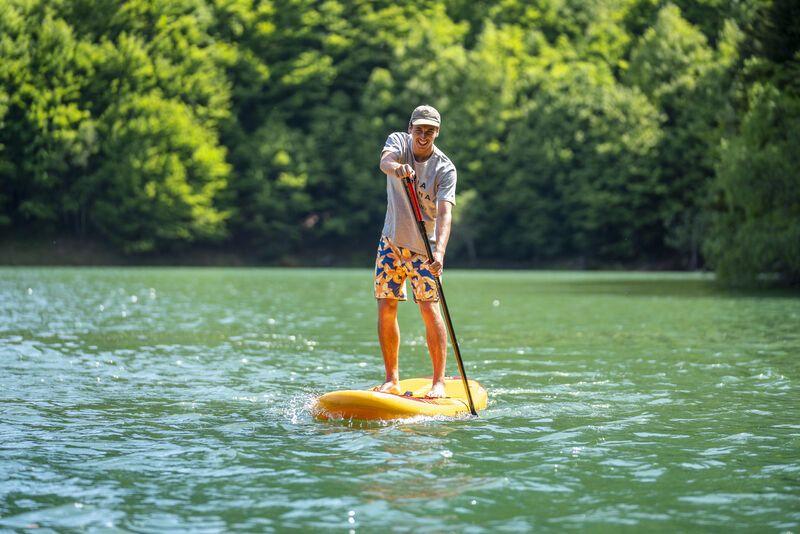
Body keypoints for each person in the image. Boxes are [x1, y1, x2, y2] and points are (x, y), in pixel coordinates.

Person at [374, 105, 457, 398]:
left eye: (430, 131)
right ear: (410, 128)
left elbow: (445, 214)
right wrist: (398, 168)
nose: (423, 135)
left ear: (437, 132)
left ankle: (438, 382)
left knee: (428, 308)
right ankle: (391, 379)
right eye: (419, 129)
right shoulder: (397, 142)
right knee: (386, 305)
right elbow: (385, 162)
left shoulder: (444, 168)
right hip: (391, 242)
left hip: (426, 249)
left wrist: (441, 253)